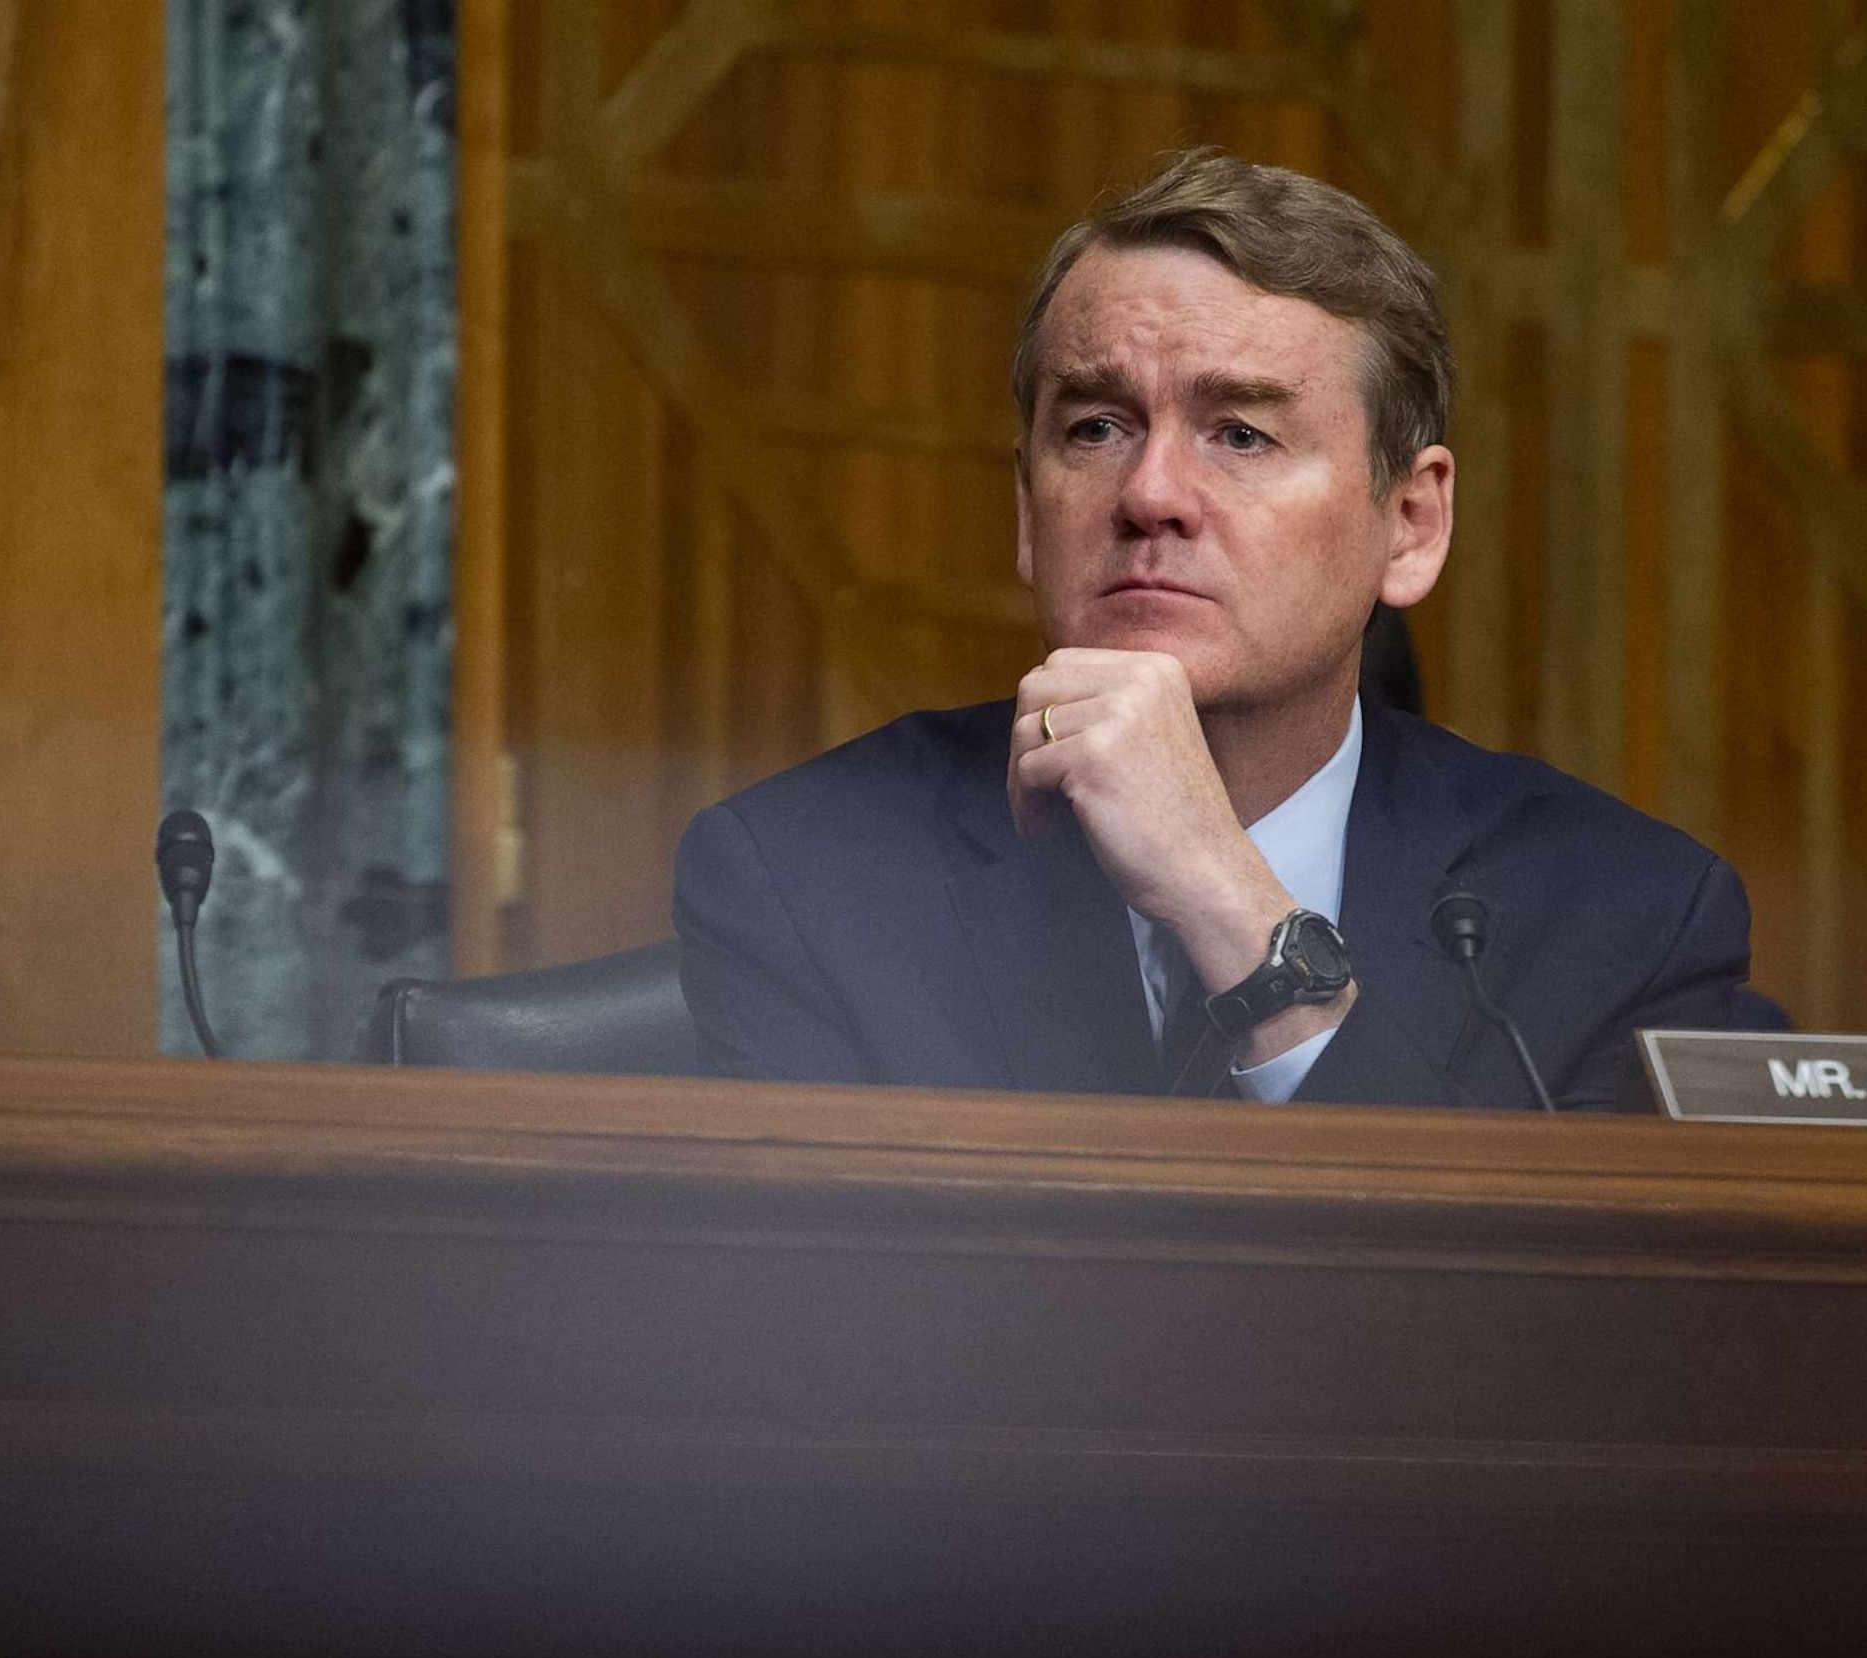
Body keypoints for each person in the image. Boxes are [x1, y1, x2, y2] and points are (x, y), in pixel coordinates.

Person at [676, 149, 1770, 1110]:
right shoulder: (810, 880)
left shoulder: (1622, 918)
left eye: (1240, 435)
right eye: (1096, 427)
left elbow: (1550, 1337)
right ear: (1026, 510)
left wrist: (1230, 903)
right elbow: (832, 1336)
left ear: (1411, 525)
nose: (1150, 492)